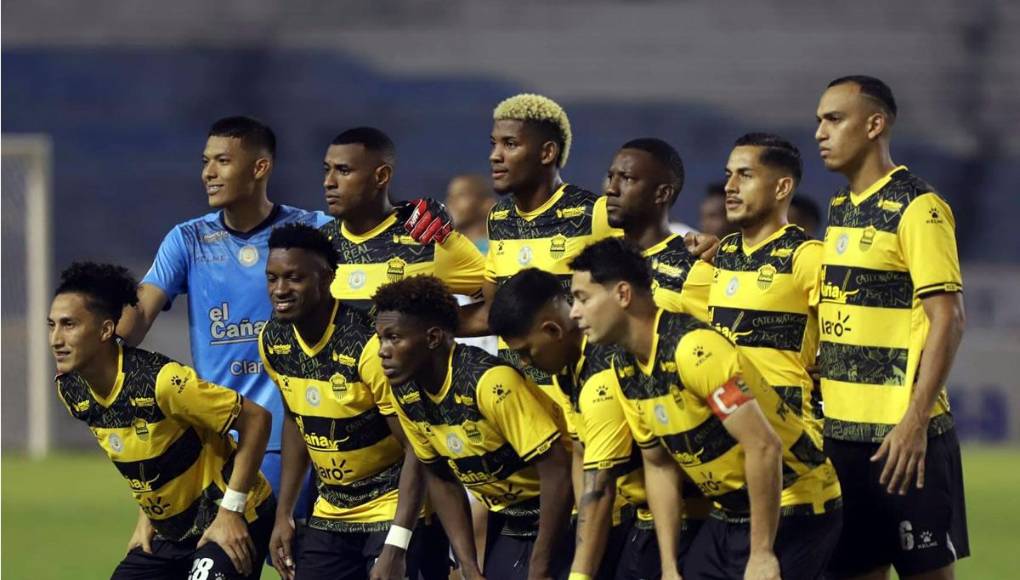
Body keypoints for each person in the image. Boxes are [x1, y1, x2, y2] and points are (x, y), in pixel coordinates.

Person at [569, 238, 842, 580]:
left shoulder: (694, 350)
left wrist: (761, 554)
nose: (574, 313)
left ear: (623, 294)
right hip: (727, 514)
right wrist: (669, 568)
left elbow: (763, 445)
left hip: (794, 505)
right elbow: (659, 465)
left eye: (582, 299)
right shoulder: (624, 368)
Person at [117, 117, 327, 509]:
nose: (208, 173)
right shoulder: (188, 238)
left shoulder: (310, 231)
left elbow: (373, 249)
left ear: (260, 167)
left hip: (292, 437)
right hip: (216, 438)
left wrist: (422, 227)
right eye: (205, 161)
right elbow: (141, 310)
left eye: (222, 162)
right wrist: (105, 346)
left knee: (288, 556)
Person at [815, 75, 969, 579]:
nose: (820, 131)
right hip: (841, 440)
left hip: (903, 440)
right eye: (819, 120)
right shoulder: (841, 207)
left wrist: (914, 421)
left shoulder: (917, 207)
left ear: (875, 124)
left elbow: (948, 317)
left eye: (834, 119)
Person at [52, 262, 275, 579]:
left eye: (69, 325)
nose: (56, 339)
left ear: (104, 330)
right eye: (53, 325)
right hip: (170, 533)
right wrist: (148, 516)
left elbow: (256, 420)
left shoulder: (163, 382)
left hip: (230, 514)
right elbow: (143, 450)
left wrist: (231, 511)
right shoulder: (71, 388)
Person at [258, 224, 449, 580]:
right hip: (331, 511)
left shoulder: (369, 345)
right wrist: (284, 513)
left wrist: (396, 543)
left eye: (294, 278)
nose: (280, 290)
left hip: (390, 509)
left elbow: (417, 445)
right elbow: (295, 420)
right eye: (272, 278)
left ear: (327, 278)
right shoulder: (273, 339)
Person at [374, 276, 574, 580]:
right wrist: (467, 563)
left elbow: (558, 470)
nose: (382, 351)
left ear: (432, 338)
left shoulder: (490, 383)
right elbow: (439, 477)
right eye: (380, 339)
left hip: (564, 515)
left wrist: (540, 566)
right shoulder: (405, 393)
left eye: (394, 338)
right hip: (508, 519)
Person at [490, 268, 678, 580]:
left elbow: (600, 486)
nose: (523, 363)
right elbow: (580, 452)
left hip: (675, 515)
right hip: (632, 514)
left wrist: (580, 574)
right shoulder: (567, 363)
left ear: (552, 330)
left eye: (525, 352)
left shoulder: (603, 369)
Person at [712, 133, 824, 427]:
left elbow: (861, 332)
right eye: (729, 175)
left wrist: (838, 368)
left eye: (745, 175)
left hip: (789, 440)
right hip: (728, 436)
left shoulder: (807, 256)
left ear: (782, 187)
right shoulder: (720, 255)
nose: (729, 187)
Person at [318, 127, 486, 312]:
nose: (329, 182)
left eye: (343, 170)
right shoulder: (316, 245)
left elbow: (504, 305)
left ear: (381, 176)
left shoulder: (428, 240)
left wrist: (437, 324)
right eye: (327, 170)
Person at [603, 137, 713, 319]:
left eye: (627, 179)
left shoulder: (693, 270)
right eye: (611, 177)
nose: (611, 189)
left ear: (662, 194)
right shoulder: (600, 258)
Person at [446, 174, 497, 254]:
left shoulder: (499, 251)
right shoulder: (442, 251)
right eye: (450, 196)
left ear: (487, 204)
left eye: (461, 195)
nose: (452, 201)